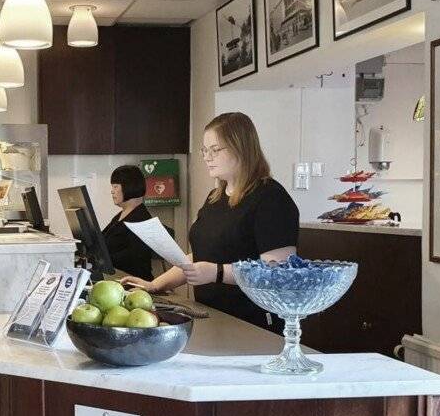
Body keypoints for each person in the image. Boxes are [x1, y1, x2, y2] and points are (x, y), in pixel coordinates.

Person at [121, 112, 299, 332]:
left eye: (215, 150)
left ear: (242, 148)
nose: (207, 157)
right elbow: (201, 258)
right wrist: (155, 285)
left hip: (252, 322)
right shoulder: (215, 197)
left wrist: (217, 272)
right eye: (205, 150)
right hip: (213, 316)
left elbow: (278, 271)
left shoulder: (271, 197)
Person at [102, 165, 155, 281]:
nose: (112, 191)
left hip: (133, 283)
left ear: (129, 187)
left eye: (115, 187)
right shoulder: (121, 215)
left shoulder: (141, 218)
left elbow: (133, 257)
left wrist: (102, 260)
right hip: (116, 277)